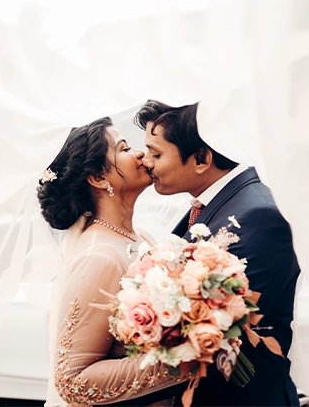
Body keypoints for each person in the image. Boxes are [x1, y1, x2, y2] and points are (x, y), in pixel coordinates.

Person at [133, 100, 300, 407]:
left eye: (157, 153)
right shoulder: (212, 203)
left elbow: (227, 322)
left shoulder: (259, 215)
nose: (147, 162)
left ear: (201, 158)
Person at [39, 117, 187, 407]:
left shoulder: (138, 236)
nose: (141, 154)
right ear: (98, 178)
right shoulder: (99, 256)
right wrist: (181, 361)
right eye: (125, 148)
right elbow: (72, 382)